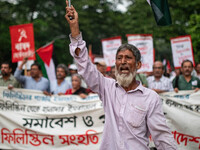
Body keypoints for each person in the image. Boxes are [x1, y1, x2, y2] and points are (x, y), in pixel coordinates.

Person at [65, 2, 177, 150]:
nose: (123, 62)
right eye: (119, 58)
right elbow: (85, 67)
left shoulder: (150, 98)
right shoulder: (107, 88)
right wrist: (74, 28)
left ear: (138, 65)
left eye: (128, 58)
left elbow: (162, 136)